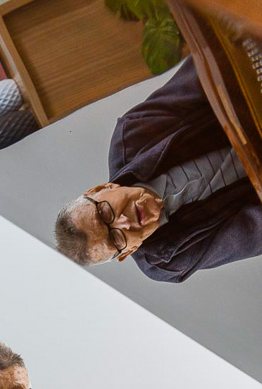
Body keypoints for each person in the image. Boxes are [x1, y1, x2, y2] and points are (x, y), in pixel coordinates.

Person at [55, 56, 262, 283]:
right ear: (127, 252)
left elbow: (208, 73)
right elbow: (254, 232)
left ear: (101, 189)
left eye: (104, 213)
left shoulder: (131, 135)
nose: (125, 222)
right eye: (115, 239)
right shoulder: (168, 260)